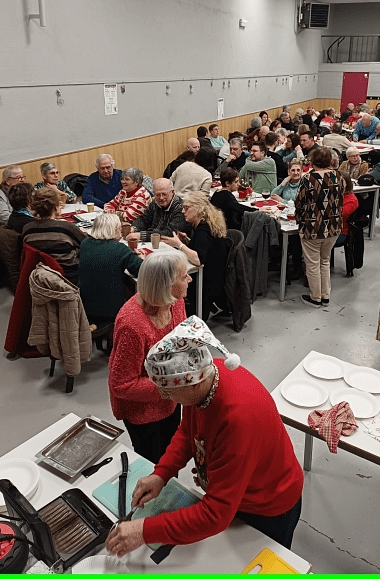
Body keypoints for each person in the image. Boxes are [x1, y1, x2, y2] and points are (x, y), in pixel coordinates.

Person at [105, 319, 304, 558]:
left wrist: (144, 531)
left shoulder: (237, 418)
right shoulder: (205, 379)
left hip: (268, 506)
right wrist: (161, 474)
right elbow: (187, 432)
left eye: (167, 391)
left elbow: (215, 515)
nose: (162, 396)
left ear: (192, 384)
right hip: (237, 496)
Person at [108, 252, 191, 463]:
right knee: (152, 462)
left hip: (170, 398)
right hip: (143, 411)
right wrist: (172, 384)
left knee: (172, 454)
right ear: (166, 285)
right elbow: (122, 384)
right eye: (184, 276)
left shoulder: (176, 302)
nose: (190, 279)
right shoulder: (132, 325)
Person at [162, 192, 228, 321]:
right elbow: (203, 248)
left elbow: (198, 260)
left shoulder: (203, 230)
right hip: (217, 276)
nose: (183, 211)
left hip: (207, 282)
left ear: (198, 209)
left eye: (186, 208)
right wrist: (187, 240)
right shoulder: (206, 224)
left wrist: (179, 244)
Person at [295, 147, 345, 307]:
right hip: (334, 226)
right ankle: (325, 296)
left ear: (313, 161)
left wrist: (299, 220)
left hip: (313, 227)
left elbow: (299, 202)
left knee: (312, 264)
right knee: (325, 261)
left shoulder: (308, 178)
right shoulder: (338, 176)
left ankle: (315, 297)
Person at [79, 212, 144, 321]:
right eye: (119, 228)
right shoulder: (119, 249)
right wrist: (142, 258)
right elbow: (141, 270)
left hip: (85, 307)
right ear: (114, 230)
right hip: (110, 310)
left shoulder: (85, 243)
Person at [21, 187, 87, 283]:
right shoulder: (67, 227)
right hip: (68, 275)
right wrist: (83, 232)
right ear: (56, 207)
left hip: (40, 274)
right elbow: (87, 244)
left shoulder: (27, 228)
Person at [128, 179, 191, 243]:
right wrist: (133, 228)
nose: (161, 198)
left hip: (173, 246)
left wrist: (141, 235)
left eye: (164, 194)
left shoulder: (181, 208)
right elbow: (144, 219)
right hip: (155, 243)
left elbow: (170, 233)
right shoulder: (155, 203)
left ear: (172, 192)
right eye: (157, 195)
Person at [335, 172, 359, 247]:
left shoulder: (351, 200)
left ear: (347, 184)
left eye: (341, 182)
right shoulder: (334, 194)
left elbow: (339, 216)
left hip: (340, 232)